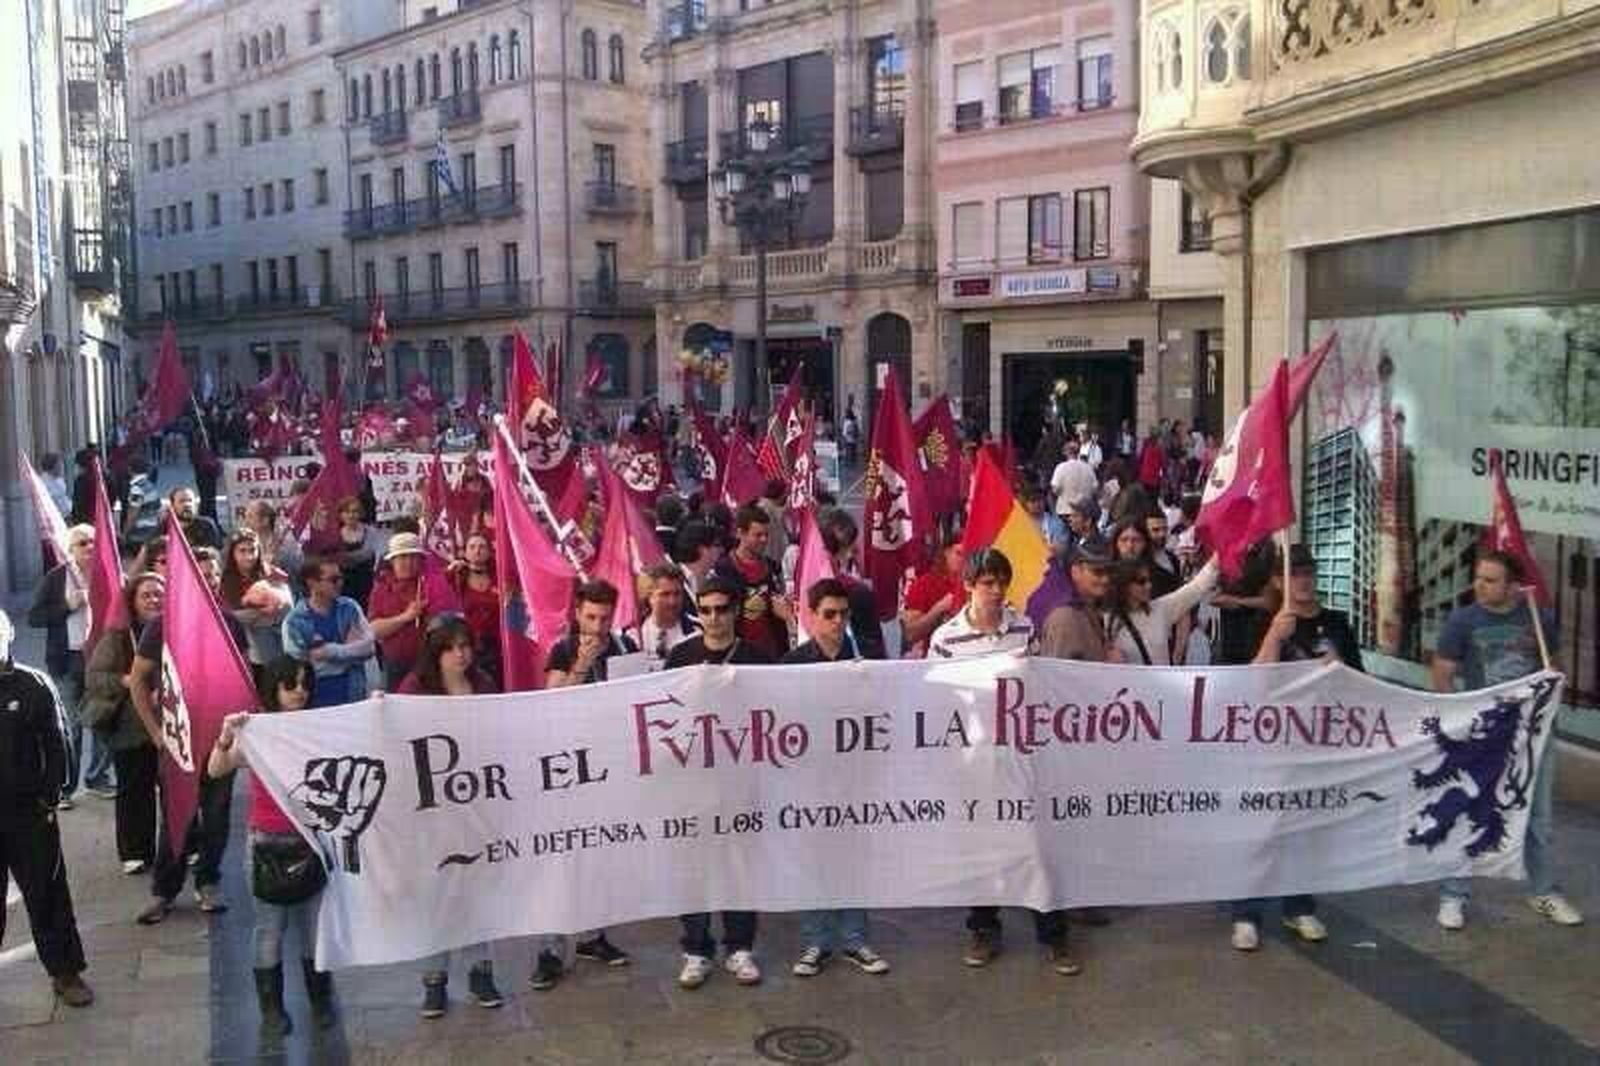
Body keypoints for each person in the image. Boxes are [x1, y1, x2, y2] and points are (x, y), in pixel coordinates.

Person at [927, 549, 1077, 975]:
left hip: (1022, 757)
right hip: (974, 759)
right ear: (969, 585)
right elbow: (935, 701)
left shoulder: (1024, 627)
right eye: (986, 582)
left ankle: (1054, 935)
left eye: (1000, 582)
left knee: (1037, 845)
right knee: (982, 848)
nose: (994, 591)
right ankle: (983, 929)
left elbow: (1040, 683)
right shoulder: (945, 639)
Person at [1431, 549, 1581, 930]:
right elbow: (1443, 672)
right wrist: (1457, 719)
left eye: (1490, 580)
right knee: (1473, 809)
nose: (1479, 586)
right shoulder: (1462, 621)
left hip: (1534, 733)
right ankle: (1453, 894)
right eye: (1478, 577)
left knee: (1538, 818)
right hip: (1486, 733)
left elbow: (1555, 668)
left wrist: (1551, 685)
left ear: (1513, 585)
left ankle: (1544, 890)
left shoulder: (1538, 619)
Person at [1232, 543, 1356, 952]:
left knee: (1306, 830)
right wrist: (1273, 637)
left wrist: (1338, 664)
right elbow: (1252, 683)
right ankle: (1246, 912)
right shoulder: (1267, 622)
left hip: (1318, 744)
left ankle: (1298, 905)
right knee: (1261, 830)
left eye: (1307, 572)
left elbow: (1360, 685)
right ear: (1277, 581)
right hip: (1273, 746)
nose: (1302, 580)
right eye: (1293, 573)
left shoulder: (1338, 623)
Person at [207, 657, 337, 1037]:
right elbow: (216, 769)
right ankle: (272, 1010)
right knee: (269, 931)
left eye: (303, 683)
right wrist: (226, 736)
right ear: (273, 689)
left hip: (310, 842)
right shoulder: (257, 731)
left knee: (314, 931)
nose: (300, 691)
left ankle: (320, 1001)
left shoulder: (317, 729)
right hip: (267, 844)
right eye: (290, 684)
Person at [127, 547, 246, 925]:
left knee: (216, 817)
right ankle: (165, 891)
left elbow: (243, 680)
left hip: (219, 744)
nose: (209, 582)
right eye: (202, 576)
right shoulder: (161, 626)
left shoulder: (230, 623)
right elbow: (137, 683)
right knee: (177, 817)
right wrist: (157, 733)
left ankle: (208, 882)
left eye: (213, 576)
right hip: (178, 743)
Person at [530, 581, 639, 989]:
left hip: (608, 763)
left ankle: (594, 936)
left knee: (598, 854)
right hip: (567, 767)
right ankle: (550, 948)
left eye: (605, 618)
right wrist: (580, 665)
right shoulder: (563, 648)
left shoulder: (626, 648)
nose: (597, 626)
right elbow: (551, 701)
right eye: (591, 617)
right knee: (560, 858)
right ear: (578, 614)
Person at [665, 576, 772, 988]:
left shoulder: (758, 659)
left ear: (735, 610)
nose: (713, 618)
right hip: (692, 780)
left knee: (739, 863)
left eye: (721, 609)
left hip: (740, 779)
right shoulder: (681, 656)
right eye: (705, 609)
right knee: (693, 866)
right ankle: (695, 949)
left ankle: (740, 947)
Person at [395, 619, 506, 1016]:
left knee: (475, 892)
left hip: (475, 806)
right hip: (432, 811)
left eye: (466, 646)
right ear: (436, 653)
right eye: (452, 648)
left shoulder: (485, 684)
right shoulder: (415, 689)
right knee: (437, 896)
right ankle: (435, 982)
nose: (462, 655)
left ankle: (481, 973)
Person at [783, 578, 891, 978]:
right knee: (814, 859)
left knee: (853, 857)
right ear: (812, 616)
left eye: (844, 614)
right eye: (829, 614)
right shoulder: (792, 664)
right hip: (809, 779)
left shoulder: (864, 661)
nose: (837, 622)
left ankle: (855, 938)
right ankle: (817, 940)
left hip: (854, 777)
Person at [0, 608, 94, 1008]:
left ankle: (66, 971)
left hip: (28, 813)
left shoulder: (33, 685)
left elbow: (59, 744)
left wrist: (49, 796)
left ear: (7, 636)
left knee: (47, 892)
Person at [28, 524, 116, 803]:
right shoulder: (56, 579)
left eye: (92, 542)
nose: (89, 547)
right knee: (71, 727)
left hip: (101, 662)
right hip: (67, 662)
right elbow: (35, 618)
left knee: (103, 722)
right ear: (70, 549)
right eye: (82, 543)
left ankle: (97, 778)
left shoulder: (109, 575)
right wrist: (67, 604)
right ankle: (66, 786)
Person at [83, 574, 165, 875]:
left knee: (174, 790)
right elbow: (94, 677)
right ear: (133, 601)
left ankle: (185, 846)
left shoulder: (176, 630)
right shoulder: (119, 637)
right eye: (146, 595)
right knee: (135, 790)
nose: (154, 600)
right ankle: (135, 850)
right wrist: (125, 680)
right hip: (131, 729)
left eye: (159, 594)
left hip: (171, 727)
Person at [367, 532, 461, 689]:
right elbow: (373, 630)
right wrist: (406, 617)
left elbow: (449, 623)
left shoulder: (433, 585)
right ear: (392, 561)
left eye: (413, 557)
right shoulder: (381, 588)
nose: (408, 562)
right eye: (403, 557)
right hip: (395, 666)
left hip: (430, 663)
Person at [281, 556, 377, 708]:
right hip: (317, 700)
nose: (340, 583)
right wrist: (351, 654)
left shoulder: (350, 607)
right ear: (312, 583)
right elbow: (300, 669)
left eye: (340, 578)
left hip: (354, 694)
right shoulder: (293, 622)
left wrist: (329, 651)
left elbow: (369, 648)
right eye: (333, 579)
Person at [711, 504, 792, 660]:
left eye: (766, 535)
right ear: (741, 533)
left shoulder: (772, 567)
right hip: (737, 654)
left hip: (771, 653)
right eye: (758, 535)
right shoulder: (723, 569)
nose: (764, 540)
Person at [1107, 556, 1218, 666]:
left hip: (1161, 683)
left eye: (1149, 580)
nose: (1149, 586)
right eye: (1141, 581)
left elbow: (1196, 587)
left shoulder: (1160, 609)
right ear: (1124, 585)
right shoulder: (1108, 620)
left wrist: (1220, 556)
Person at [220, 530, 292, 676]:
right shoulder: (224, 581)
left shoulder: (272, 573)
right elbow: (227, 619)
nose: (249, 556)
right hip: (245, 652)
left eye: (253, 549)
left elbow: (288, 608)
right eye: (242, 551)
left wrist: (255, 618)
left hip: (280, 642)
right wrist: (263, 616)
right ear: (232, 553)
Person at [900, 533, 966, 658]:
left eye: (969, 555)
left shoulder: (982, 585)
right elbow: (910, 634)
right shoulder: (924, 585)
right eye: (959, 553)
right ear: (946, 552)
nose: (964, 560)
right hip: (937, 659)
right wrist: (938, 609)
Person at [448, 533, 502, 685]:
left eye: (481, 547)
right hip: (466, 645)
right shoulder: (458, 577)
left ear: (489, 552)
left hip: (495, 647)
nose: (477, 551)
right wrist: (449, 571)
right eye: (472, 547)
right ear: (465, 552)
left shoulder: (498, 577)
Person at [327, 495, 386, 609]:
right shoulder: (335, 534)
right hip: (343, 583)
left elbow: (369, 553)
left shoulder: (370, 532)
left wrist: (345, 557)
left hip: (365, 581)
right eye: (347, 512)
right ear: (341, 515)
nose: (351, 515)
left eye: (355, 511)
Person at [633, 564, 699, 664]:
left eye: (677, 593)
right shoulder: (634, 635)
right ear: (650, 596)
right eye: (665, 594)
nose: (672, 601)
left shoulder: (697, 631)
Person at [1048, 441, 1097, 519]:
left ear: (1065, 452)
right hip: (1085, 511)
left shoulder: (1060, 468)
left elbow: (1055, 490)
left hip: (1065, 510)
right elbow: (1095, 489)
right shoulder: (1089, 468)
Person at [168, 486, 223, 550]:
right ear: (172, 505)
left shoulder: (206, 524)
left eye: (190, 500)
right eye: (181, 501)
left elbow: (216, 550)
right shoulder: (166, 526)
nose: (187, 504)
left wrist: (203, 551)